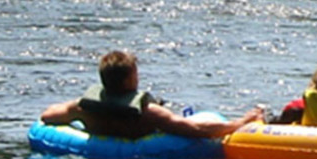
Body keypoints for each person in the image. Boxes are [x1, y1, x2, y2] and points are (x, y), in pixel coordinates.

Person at [40, 50, 264, 138]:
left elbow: (47, 116)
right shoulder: (148, 112)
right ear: (130, 79)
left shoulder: (83, 107)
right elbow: (196, 130)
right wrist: (243, 121)